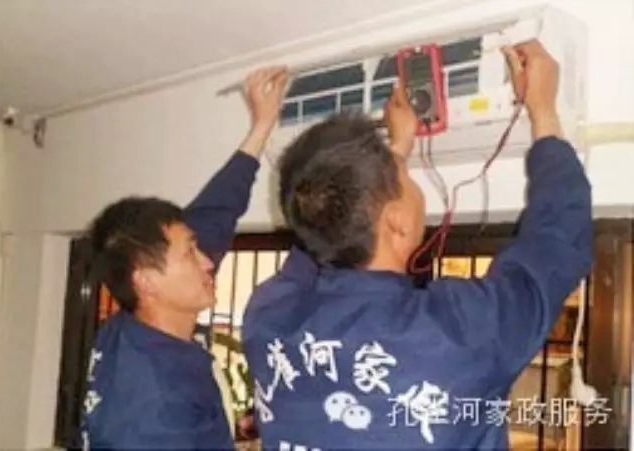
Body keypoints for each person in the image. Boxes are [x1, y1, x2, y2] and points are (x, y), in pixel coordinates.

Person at [242, 40, 592, 449]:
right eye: (405, 180)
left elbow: (325, 227)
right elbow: (555, 242)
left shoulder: (269, 314)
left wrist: (395, 155)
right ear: (397, 222)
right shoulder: (459, 332)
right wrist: (544, 110)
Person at [80, 66, 288, 449]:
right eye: (191, 253)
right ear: (146, 280)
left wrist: (262, 125)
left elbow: (216, 210)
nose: (208, 261)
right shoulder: (155, 409)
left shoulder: (130, 327)